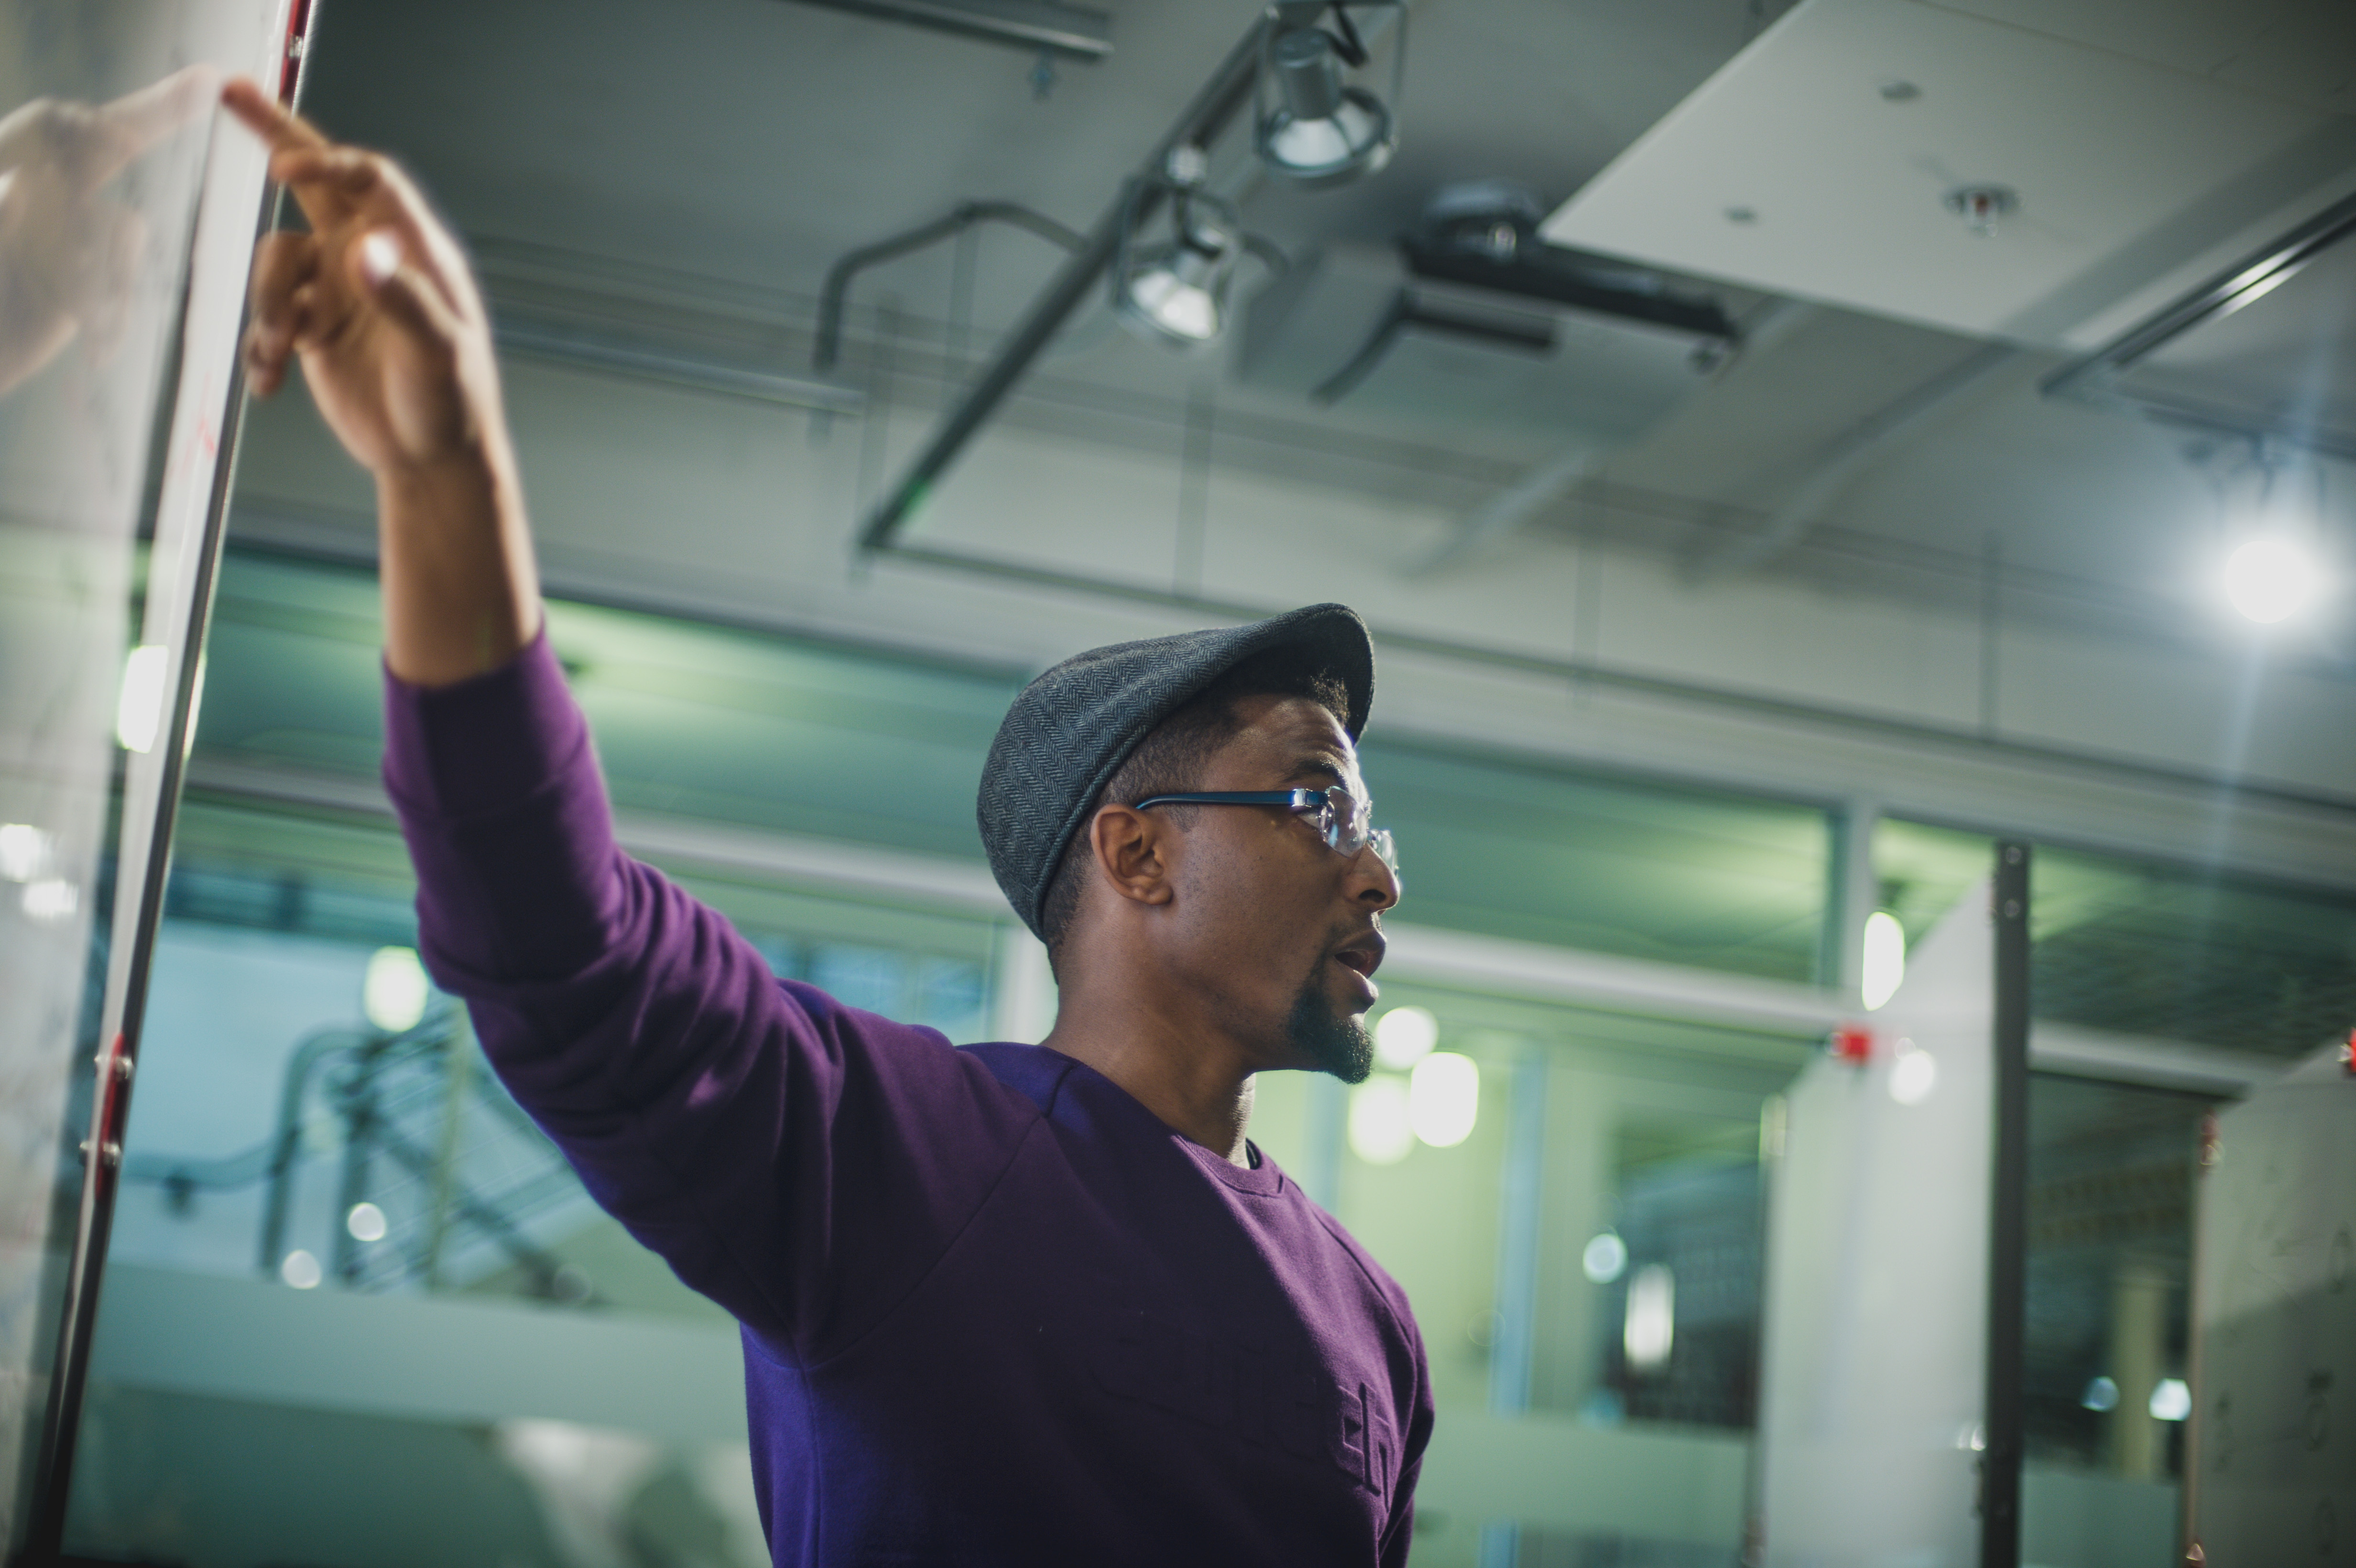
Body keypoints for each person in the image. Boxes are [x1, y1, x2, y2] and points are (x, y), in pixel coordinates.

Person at [221, 76, 1430, 1566]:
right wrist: (443, 472)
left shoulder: (1373, 1322)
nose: (1376, 867)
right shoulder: (912, 1163)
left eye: (1374, 822)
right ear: (1138, 854)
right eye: (1319, 804)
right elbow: (564, 952)